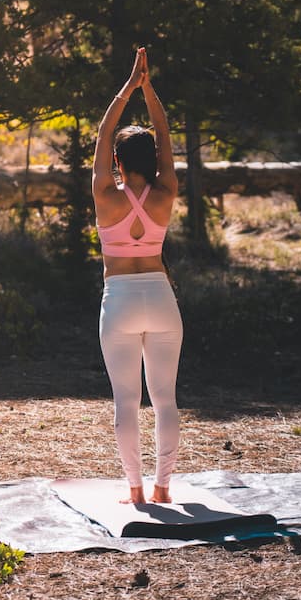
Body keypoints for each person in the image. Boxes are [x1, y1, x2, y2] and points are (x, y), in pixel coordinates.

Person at [93, 47, 182, 505]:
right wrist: (150, 92)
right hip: (161, 297)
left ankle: (136, 491)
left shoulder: (105, 193)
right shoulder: (166, 192)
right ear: (153, 159)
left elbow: (105, 134)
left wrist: (129, 87)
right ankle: (163, 487)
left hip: (120, 299)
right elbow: (164, 135)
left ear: (118, 161)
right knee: (164, 399)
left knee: (126, 402)